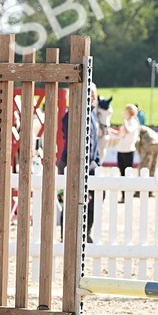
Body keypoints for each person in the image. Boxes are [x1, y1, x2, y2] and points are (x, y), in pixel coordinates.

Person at [60, 83, 101, 242]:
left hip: (91, 162)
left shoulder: (93, 115)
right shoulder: (71, 114)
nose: (90, 96)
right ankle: (66, 235)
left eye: (92, 94)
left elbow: (94, 141)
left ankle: (86, 231)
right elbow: (70, 138)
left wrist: (96, 160)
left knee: (97, 196)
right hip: (73, 161)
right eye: (87, 93)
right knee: (70, 199)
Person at [116, 104, 140, 172]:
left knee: (128, 171)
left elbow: (128, 131)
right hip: (120, 149)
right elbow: (119, 134)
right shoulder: (126, 122)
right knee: (121, 170)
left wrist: (125, 123)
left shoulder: (134, 122)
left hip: (128, 150)